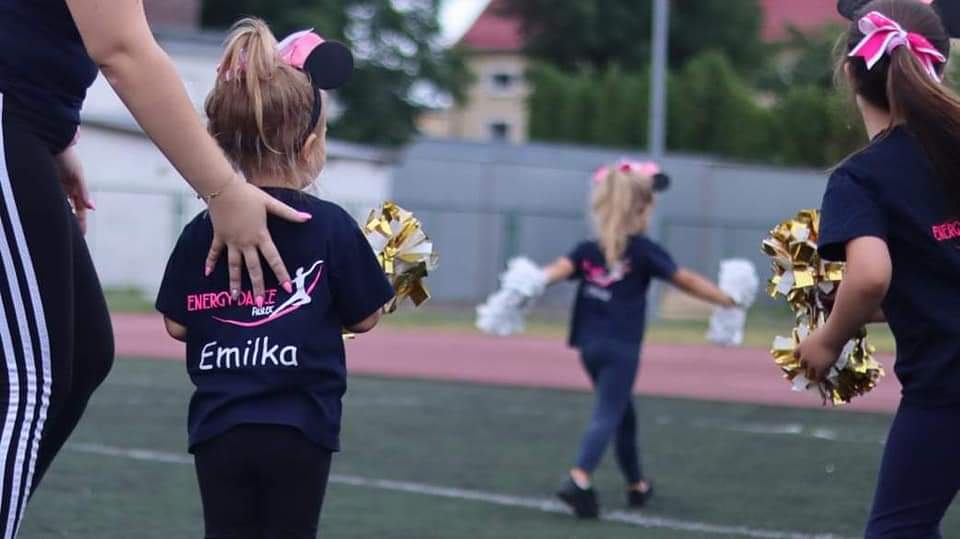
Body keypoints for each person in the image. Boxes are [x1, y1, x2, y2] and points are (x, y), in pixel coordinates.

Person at [0, 1, 312, 535]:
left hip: (25, 122)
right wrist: (225, 189)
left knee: (83, 353)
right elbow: (123, 50)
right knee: (27, 378)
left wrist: (56, 133)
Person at [155, 19, 395, 538]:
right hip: (300, 426)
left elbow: (176, 324)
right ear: (311, 145)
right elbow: (365, 317)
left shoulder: (204, 227)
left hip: (219, 423)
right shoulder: (331, 225)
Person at [797, 1, 960, 536]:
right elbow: (935, 274)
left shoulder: (862, 177)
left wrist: (828, 339)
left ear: (850, 73)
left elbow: (870, 276)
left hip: (946, 389)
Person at [540, 160, 737, 518]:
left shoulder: (588, 249)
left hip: (588, 347)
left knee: (622, 413)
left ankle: (636, 484)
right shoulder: (644, 250)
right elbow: (685, 280)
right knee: (608, 412)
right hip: (621, 347)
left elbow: (555, 271)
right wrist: (726, 299)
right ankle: (579, 477)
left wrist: (528, 283)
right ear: (642, 209)